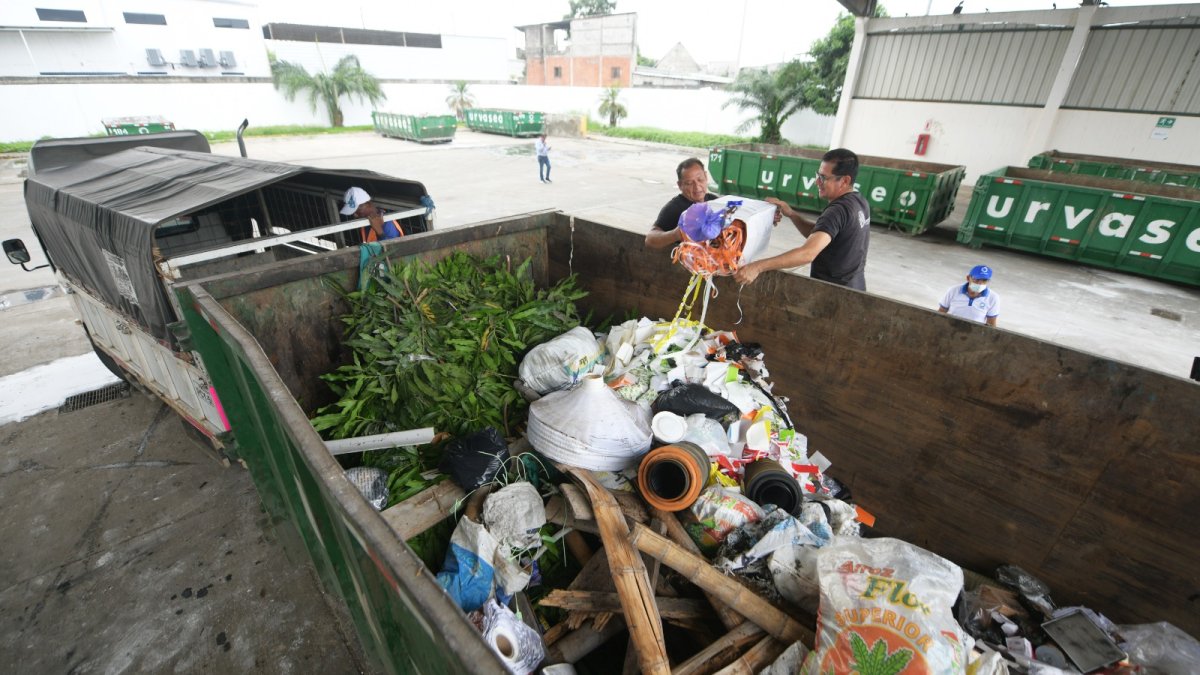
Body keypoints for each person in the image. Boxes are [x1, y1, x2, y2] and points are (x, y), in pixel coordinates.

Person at [732, 148, 870, 291]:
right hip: (856, 287)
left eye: (823, 177)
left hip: (835, 294)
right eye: (818, 175)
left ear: (845, 180)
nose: (817, 182)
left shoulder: (837, 210)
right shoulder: (859, 201)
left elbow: (808, 253)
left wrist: (757, 267)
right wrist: (791, 213)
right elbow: (820, 235)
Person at [645, 157, 717, 249]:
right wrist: (677, 234)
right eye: (689, 183)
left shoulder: (714, 201)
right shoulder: (674, 208)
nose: (697, 187)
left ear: (706, 177)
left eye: (700, 179)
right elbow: (650, 240)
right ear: (680, 185)